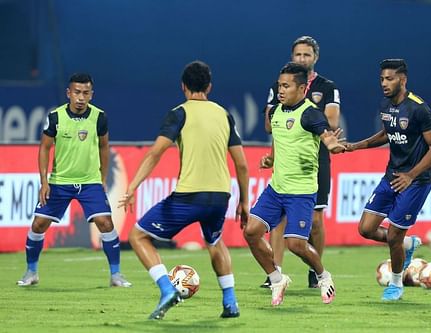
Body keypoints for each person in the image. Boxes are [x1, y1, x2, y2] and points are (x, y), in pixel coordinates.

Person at [118, 61, 249, 320]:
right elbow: (242, 164)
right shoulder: (224, 114)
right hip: (221, 196)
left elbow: (155, 153)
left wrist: (132, 186)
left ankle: (167, 289)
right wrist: (244, 201)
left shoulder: (179, 113)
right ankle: (230, 301)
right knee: (214, 241)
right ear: (209, 86)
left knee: (138, 235)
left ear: (183, 87)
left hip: (189, 195)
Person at [244, 62, 345, 306]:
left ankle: (323, 276)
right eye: (280, 85)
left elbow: (325, 136)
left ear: (301, 89)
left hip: (301, 192)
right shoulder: (277, 111)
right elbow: (279, 139)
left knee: (296, 245)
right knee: (251, 232)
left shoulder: (311, 113)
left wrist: (332, 145)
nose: (281, 90)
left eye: (286, 86)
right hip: (276, 188)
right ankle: (276, 278)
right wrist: (271, 158)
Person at [17, 73, 131, 288]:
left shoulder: (99, 117)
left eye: (85, 93)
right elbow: (44, 148)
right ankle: (31, 272)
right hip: (60, 181)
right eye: (77, 92)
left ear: (91, 95)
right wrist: (44, 181)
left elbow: (104, 146)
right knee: (38, 224)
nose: (81, 97)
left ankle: (116, 275)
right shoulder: (56, 117)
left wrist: (102, 177)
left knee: (106, 223)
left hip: (90, 182)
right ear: (68, 93)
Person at [345, 59, 431, 301]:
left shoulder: (418, 108)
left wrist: (412, 175)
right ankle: (409, 244)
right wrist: (357, 146)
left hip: (416, 182)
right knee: (365, 229)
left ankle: (396, 284)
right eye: (382, 79)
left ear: (403, 79)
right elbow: (387, 133)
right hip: (391, 176)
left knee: (393, 236)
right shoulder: (386, 105)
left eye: (389, 79)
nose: (384, 84)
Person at [261, 36, 341, 288]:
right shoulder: (280, 86)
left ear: (315, 58)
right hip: (286, 159)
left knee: (316, 221)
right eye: (298, 55)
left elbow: (331, 121)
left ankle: (314, 271)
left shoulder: (327, 87)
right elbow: (270, 124)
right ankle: (275, 273)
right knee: (277, 220)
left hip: (313, 160)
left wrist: (313, 123)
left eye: (307, 55)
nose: (302, 59)